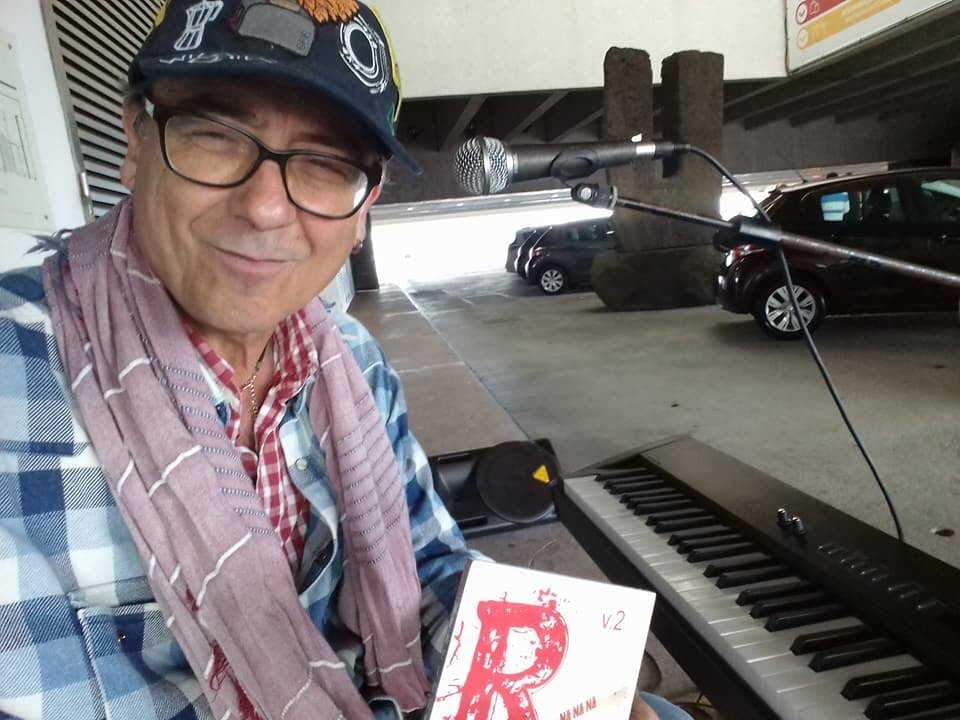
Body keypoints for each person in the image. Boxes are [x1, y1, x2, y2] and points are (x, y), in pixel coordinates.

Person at [0, 2, 691, 718]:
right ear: (136, 141)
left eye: (326, 164)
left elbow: (427, 567)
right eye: (215, 135)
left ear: (365, 208)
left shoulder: (351, 360)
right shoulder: (17, 375)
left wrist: (569, 690)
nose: (265, 207)